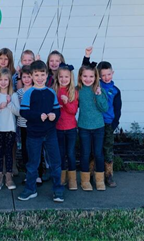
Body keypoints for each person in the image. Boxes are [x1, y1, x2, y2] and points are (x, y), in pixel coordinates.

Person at [18, 60, 64, 203]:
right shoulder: (29, 93)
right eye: (36, 75)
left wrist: (54, 115)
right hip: (34, 134)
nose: (39, 78)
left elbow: (57, 109)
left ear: (46, 75)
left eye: (42, 75)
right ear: (31, 76)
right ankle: (30, 189)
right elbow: (23, 112)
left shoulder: (51, 92)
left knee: (56, 163)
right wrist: (38, 116)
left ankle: (58, 190)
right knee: (33, 164)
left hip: (50, 134)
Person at [83, 47, 122, 187]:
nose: (106, 77)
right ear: (98, 75)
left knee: (107, 149)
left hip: (108, 124)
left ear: (113, 73)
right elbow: (85, 69)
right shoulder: (94, 86)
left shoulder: (115, 91)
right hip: (95, 123)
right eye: (103, 75)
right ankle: (90, 174)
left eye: (108, 74)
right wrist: (87, 56)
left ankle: (109, 175)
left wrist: (114, 124)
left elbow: (117, 109)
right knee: (94, 149)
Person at [77, 64, 109, 191]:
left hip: (98, 127)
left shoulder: (100, 90)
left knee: (98, 153)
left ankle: (99, 180)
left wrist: (99, 95)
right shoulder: (78, 90)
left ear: (96, 77)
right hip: (84, 127)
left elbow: (104, 108)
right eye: (85, 76)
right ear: (80, 76)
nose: (88, 79)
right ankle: (85, 181)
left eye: (91, 76)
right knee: (85, 154)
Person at [0, 68, 20, 191]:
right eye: (0, 79)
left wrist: (9, 103)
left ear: (10, 81)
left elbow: (18, 112)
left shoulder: (14, 95)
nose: (3, 82)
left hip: (10, 128)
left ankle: (9, 177)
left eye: (6, 80)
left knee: (9, 153)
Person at [54, 63, 79, 191]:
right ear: (57, 77)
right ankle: (61, 178)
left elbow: (73, 111)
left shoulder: (73, 91)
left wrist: (66, 102)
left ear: (70, 78)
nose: (64, 79)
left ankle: (72, 179)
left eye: (66, 77)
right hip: (58, 127)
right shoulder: (54, 91)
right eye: (61, 77)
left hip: (71, 128)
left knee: (70, 153)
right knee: (61, 153)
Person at [16, 65, 41, 184]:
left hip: (35, 125)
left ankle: (38, 174)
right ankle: (28, 174)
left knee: (36, 149)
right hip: (23, 125)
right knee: (25, 150)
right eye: (24, 77)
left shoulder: (37, 90)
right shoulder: (19, 92)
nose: (26, 79)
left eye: (29, 77)